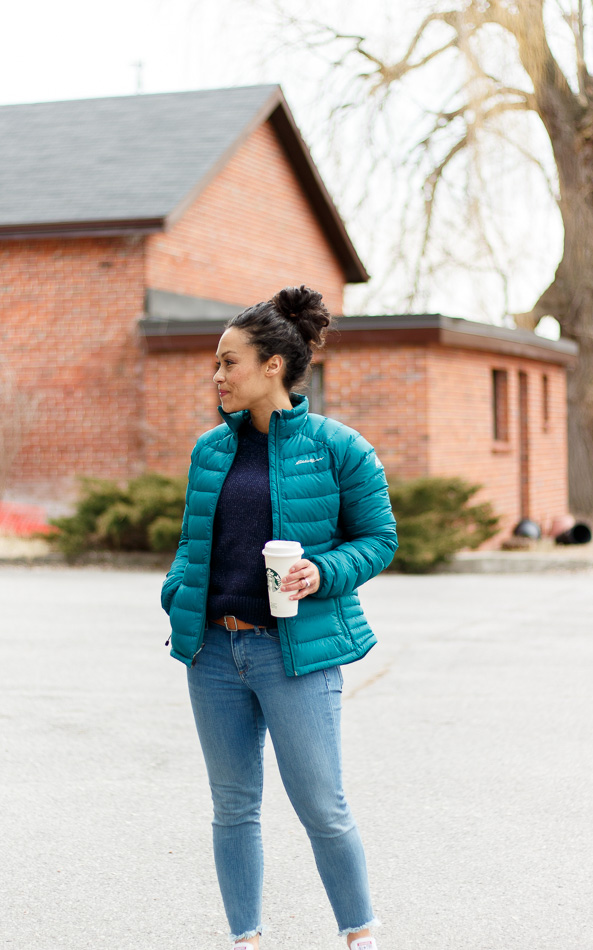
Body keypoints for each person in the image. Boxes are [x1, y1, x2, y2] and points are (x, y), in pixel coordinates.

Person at [161, 285, 398, 950]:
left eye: (228, 362)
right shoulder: (211, 450)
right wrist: (177, 591)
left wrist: (323, 571)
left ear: (272, 366)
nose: (217, 375)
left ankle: (359, 934)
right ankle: (246, 939)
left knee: (322, 806)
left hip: (295, 652)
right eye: (216, 363)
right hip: (213, 653)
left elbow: (379, 539)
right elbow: (191, 542)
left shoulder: (339, 447)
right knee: (233, 807)